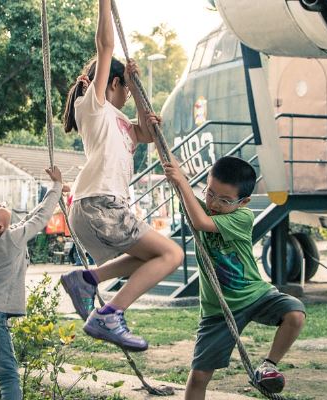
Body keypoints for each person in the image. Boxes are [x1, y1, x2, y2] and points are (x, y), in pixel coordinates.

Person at [59, 0, 183, 352]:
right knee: (171, 255)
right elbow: (106, 47)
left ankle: (87, 279)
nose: (128, 95)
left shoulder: (122, 123)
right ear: (113, 83)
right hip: (99, 202)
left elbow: (147, 132)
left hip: (99, 206)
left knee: (153, 255)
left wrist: (138, 88)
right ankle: (109, 314)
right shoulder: (94, 108)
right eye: (126, 88)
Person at [163, 156, 306, 397]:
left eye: (225, 200)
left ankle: (268, 366)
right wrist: (171, 164)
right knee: (198, 376)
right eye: (210, 193)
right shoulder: (199, 205)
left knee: (295, 313)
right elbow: (178, 182)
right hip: (217, 308)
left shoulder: (243, 217)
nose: (214, 203)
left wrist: (182, 183)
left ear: (244, 201)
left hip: (255, 294)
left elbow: (200, 222)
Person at [0, 166, 65, 400]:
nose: (0, 204)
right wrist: (56, 185)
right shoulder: (12, 240)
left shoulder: (3, 241)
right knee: (8, 377)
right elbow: (38, 219)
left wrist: (54, 192)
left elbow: (28, 219)